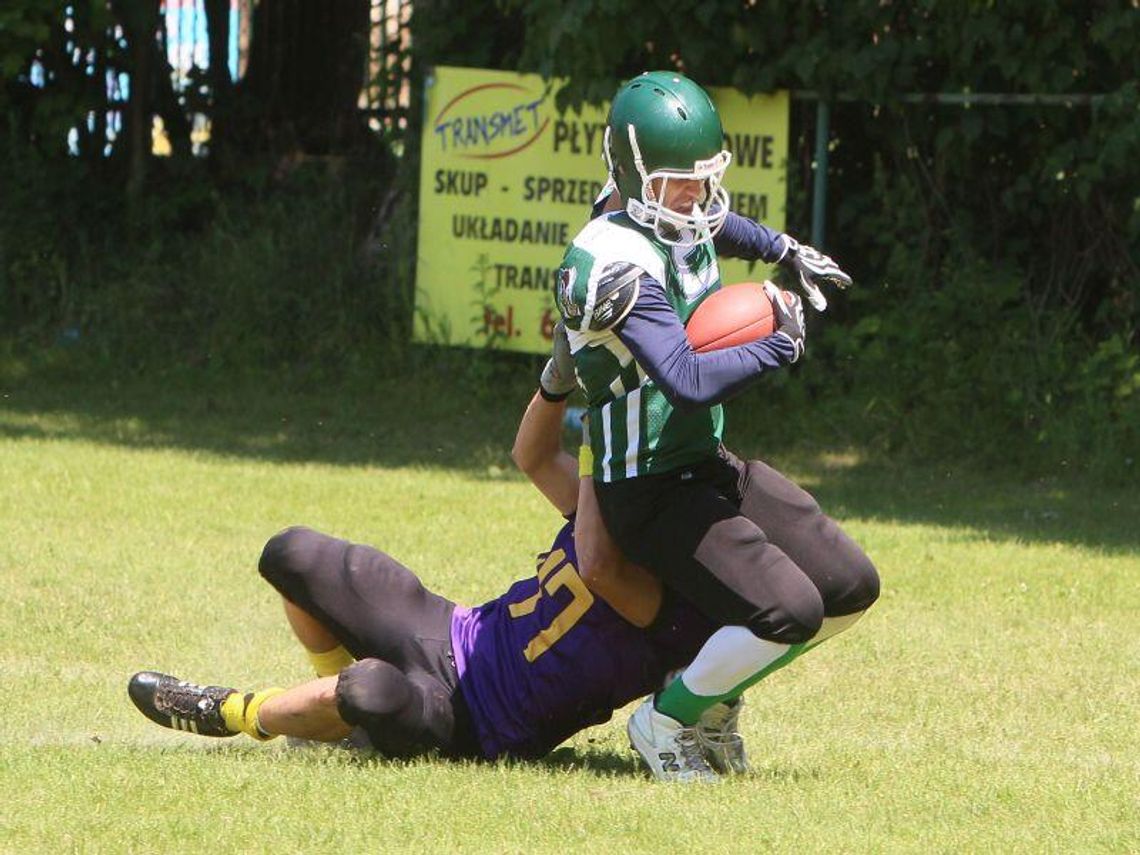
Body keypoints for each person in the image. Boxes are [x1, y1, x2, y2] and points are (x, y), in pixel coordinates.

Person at [550, 70, 880, 781]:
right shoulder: (609, 262)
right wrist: (779, 342)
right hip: (644, 486)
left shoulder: (669, 211)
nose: (695, 197)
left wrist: (781, 247)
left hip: (703, 461)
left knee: (850, 584)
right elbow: (687, 377)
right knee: (788, 608)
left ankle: (714, 696)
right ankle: (667, 716)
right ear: (633, 179)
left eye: (703, 179)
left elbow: (712, 227)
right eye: (678, 183)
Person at [126, 388, 723, 775]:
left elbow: (598, 565)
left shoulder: (666, 608)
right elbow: (533, 456)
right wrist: (559, 375)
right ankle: (330, 720)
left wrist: (602, 441)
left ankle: (229, 710)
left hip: (473, 727)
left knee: (369, 692)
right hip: (453, 630)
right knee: (293, 555)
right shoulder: (613, 517)